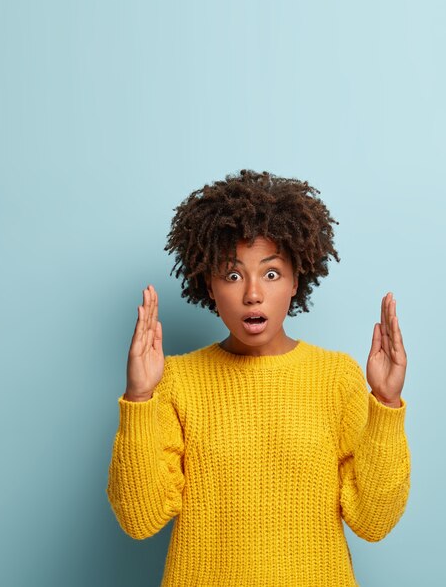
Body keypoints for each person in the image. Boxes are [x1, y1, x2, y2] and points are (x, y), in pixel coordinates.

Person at [106, 169, 411, 587]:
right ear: (209, 286)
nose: (253, 293)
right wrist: (139, 397)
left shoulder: (337, 376)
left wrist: (387, 404)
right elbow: (140, 517)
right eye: (232, 275)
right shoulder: (177, 379)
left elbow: (374, 520)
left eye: (271, 274)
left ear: (295, 281)